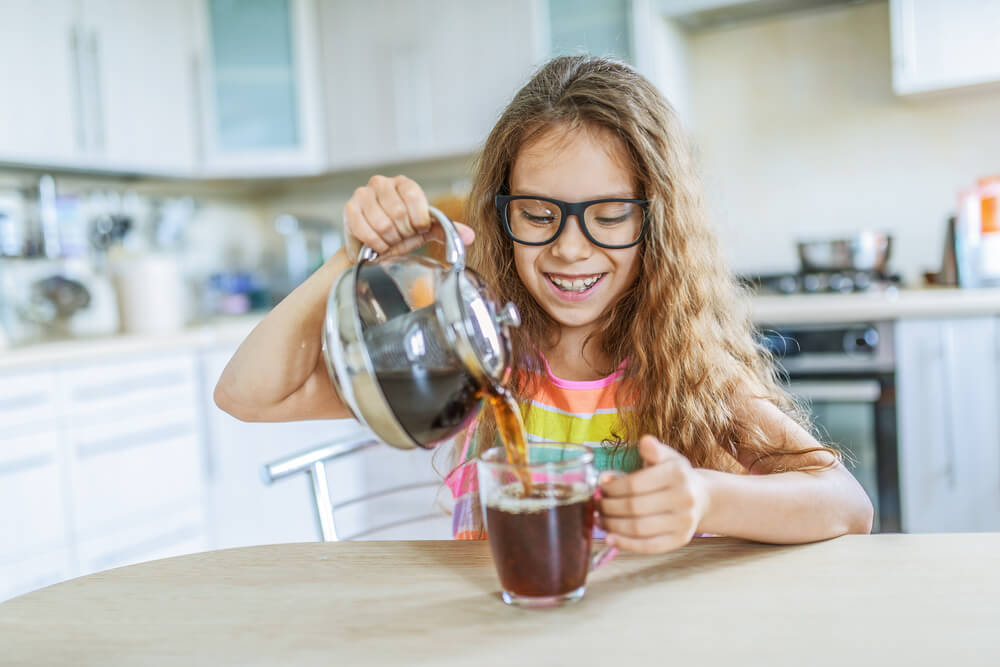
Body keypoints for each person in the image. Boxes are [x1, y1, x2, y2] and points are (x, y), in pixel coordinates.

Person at [215, 55, 874, 552]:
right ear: (504, 215)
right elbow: (249, 394)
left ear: (660, 222)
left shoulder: (688, 370)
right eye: (538, 213)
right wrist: (348, 258)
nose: (569, 248)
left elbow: (846, 503)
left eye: (610, 215)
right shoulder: (469, 358)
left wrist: (705, 498)